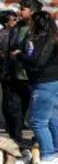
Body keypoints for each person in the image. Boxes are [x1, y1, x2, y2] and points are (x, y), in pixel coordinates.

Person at [13, 11, 58, 164]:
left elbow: (38, 61)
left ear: (36, 23)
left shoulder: (43, 39)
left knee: (38, 121)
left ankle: (48, 158)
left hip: (47, 83)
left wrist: (20, 56)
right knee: (52, 118)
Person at [3, 0, 40, 159]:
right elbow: (11, 45)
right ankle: (16, 141)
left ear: (32, 11)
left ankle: (40, 143)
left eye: (23, 9)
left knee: (36, 113)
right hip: (15, 74)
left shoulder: (39, 27)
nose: (20, 12)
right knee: (14, 110)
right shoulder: (17, 27)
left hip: (32, 76)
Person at [0, 10, 26, 155]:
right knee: (12, 104)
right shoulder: (5, 35)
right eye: (13, 20)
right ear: (6, 22)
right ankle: (15, 133)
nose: (16, 22)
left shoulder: (17, 33)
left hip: (15, 74)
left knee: (12, 103)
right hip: (9, 74)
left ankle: (15, 131)